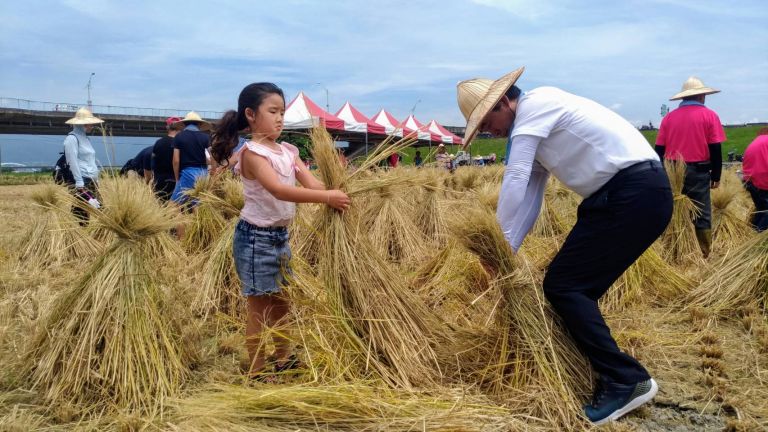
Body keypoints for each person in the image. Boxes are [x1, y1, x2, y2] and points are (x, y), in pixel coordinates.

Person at [457, 67, 671, 425]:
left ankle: (626, 379)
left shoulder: (536, 106)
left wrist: (495, 241)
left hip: (632, 193)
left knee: (565, 285)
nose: (487, 133)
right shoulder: (535, 125)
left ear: (503, 103)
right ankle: (605, 369)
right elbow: (530, 199)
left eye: (484, 123)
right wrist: (504, 251)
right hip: (624, 197)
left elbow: (516, 177)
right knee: (570, 286)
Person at [209, 82, 350, 379]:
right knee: (259, 308)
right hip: (255, 239)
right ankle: (257, 370)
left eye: (282, 112)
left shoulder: (288, 150)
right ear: (250, 114)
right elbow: (278, 190)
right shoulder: (253, 154)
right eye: (272, 111)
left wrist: (339, 189)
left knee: (282, 302)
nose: (279, 118)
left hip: (279, 237)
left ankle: (283, 357)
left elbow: (313, 185)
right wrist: (327, 198)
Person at [655, 76, 726, 258]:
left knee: (673, 208)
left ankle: (671, 249)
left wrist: (660, 174)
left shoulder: (668, 118)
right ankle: (704, 252)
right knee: (701, 211)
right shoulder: (710, 116)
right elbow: (715, 149)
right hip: (699, 171)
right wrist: (716, 176)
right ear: (702, 96)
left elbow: (659, 150)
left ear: (683, 98)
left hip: (672, 171)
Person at [63, 107, 104, 224]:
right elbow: (72, 162)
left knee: (97, 206)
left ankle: (86, 236)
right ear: (81, 124)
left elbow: (90, 160)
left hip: (91, 179)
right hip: (81, 181)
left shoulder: (86, 139)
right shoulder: (72, 139)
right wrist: (79, 182)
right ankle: (78, 236)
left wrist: (96, 179)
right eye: (89, 124)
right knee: (81, 211)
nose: (91, 126)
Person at [171, 111, 211, 207]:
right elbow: (212, 156)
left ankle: (181, 222)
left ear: (184, 124)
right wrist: (212, 171)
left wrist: (177, 179)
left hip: (187, 173)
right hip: (203, 174)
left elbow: (176, 160)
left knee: (174, 205)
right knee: (196, 204)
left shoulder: (179, 136)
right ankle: (195, 222)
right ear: (200, 124)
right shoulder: (206, 137)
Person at [152, 116, 183, 201]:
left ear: (167, 127)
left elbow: (153, 162)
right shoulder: (182, 143)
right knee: (178, 209)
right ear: (180, 128)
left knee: (161, 208)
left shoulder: (159, 143)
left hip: (160, 181)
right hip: (177, 181)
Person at [742, 128, 768, 232]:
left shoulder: (758, 140)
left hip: (750, 181)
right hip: (762, 181)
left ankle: (750, 233)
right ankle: (757, 237)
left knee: (761, 210)